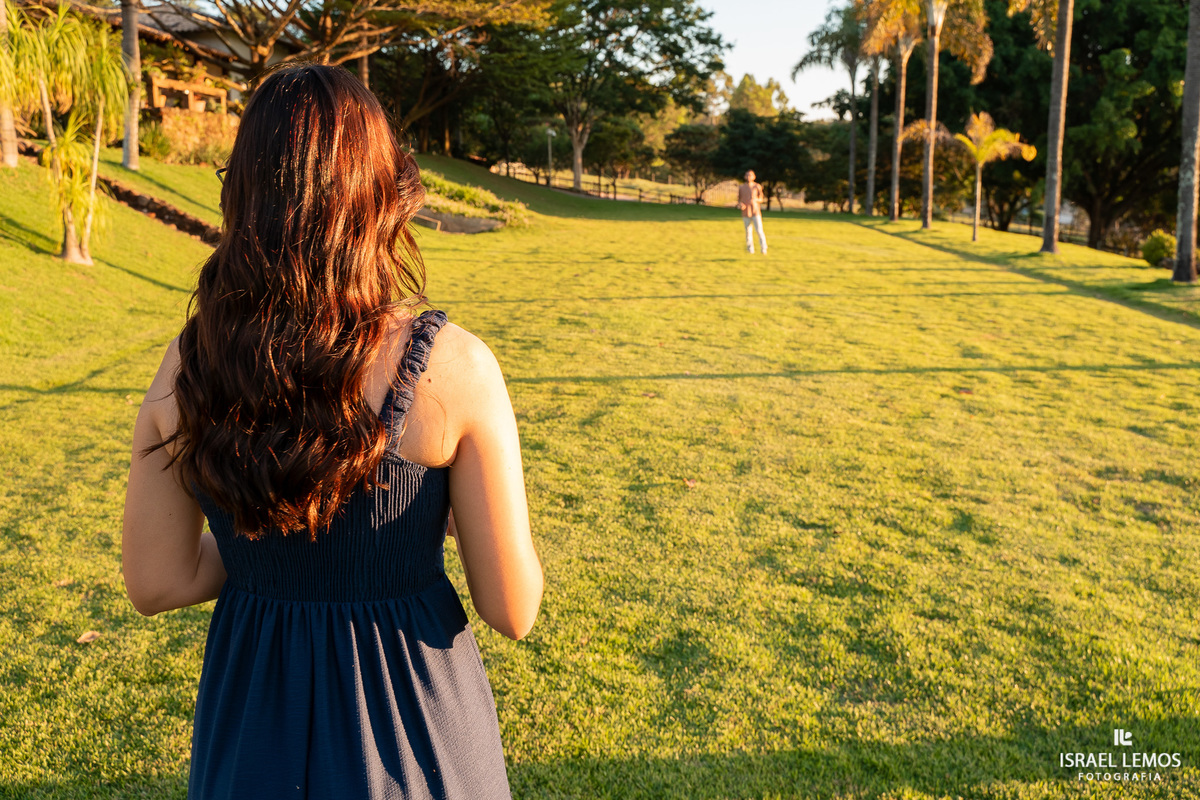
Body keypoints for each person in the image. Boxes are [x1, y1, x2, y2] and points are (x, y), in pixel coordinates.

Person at [121, 64, 543, 800]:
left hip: (253, 736)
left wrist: (270, 533)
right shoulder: (456, 367)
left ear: (245, 193)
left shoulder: (193, 361)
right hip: (419, 744)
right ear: (379, 194)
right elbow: (513, 607)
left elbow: (158, 582)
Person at [736, 169, 768, 254]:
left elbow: (761, 199)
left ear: (754, 177)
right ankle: (750, 249)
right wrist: (741, 204)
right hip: (746, 212)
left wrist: (756, 200)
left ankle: (763, 248)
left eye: (750, 175)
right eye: (747, 175)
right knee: (748, 231)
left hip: (755, 212)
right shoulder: (741, 187)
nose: (748, 177)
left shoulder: (757, 186)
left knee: (759, 230)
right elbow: (739, 199)